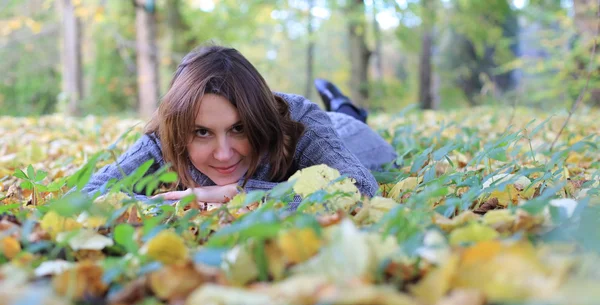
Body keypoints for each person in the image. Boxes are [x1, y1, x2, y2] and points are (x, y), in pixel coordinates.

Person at [80, 44, 397, 207]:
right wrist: (169, 207)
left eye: (239, 129)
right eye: (202, 132)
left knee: (352, 125)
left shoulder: (299, 119)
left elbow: (360, 188)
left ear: (259, 119)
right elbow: (91, 194)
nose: (223, 154)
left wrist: (242, 194)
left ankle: (345, 107)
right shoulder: (165, 136)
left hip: (349, 136)